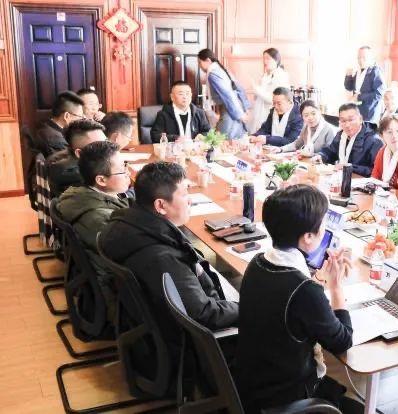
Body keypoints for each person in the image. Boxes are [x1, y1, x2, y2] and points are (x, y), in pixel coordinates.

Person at [99, 162, 239, 376]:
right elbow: (203, 314)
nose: (190, 200)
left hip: (156, 333)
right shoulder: (162, 257)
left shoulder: (124, 225)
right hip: (193, 348)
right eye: (185, 193)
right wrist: (246, 307)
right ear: (161, 206)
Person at [235, 184, 354, 413]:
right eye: (323, 224)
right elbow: (342, 341)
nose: (325, 229)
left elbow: (293, 298)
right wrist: (336, 287)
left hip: (253, 385)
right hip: (285, 398)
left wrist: (319, 280)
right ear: (308, 237)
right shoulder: (305, 291)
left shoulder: (258, 262)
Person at [56, 141, 131, 324]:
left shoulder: (83, 195)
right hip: (120, 299)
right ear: (101, 180)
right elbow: (132, 257)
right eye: (122, 170)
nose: (128, 173)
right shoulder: (100, 218)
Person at [316, 103, 383, 177]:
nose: (347, 125)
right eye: (343, 121)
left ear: (360, 119)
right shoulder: (341, 135)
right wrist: (321, 156)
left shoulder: (374, 141)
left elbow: (375, 170)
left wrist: (350, 167)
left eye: (351, 120)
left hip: (361, 181)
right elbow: (331, 152)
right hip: (341, 177)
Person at [198, 48, 250, 139]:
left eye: (200, 62)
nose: (199, 66)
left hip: (230, 110)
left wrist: (239, 114)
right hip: (235, 107)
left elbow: (227, 95)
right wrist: (245, 108)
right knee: (232, 141)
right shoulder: (220, 70)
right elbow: (239, 88)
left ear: (208, 60)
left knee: (222, 141)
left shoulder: (213, 73)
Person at [46, 119, 107, 197]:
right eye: (99, 146)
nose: (108, 148)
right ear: (79, 153)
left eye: (106, 142)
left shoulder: (72, 158)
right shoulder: (74, 176)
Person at [272, 100, 337, 155]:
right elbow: (297, 144)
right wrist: (281, 149)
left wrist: (309, 155)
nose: (310, 117)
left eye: (313, 113)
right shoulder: (306, 127)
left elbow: (330, 154)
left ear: (319, 112)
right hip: (307, 162)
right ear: (302, 117)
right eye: (306, 115)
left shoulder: (329, 130)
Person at [249, 48, 290, 133]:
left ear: (276, 60)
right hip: (260, 114)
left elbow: (274, 99)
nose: (265, 61)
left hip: (271, 115)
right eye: (264, 58)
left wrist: (256, 89)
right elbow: (259, 96)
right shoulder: (266, 75)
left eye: (268, 58)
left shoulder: (281, 76)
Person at [344, 46, 386, 127]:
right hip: (357, 113)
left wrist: (359, 97)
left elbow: (379, 94)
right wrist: (348, 76)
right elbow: (349, 87)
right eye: (359, 58)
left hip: (369, 115)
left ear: (371, 58)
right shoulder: (358, 71)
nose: (360, 60)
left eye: (364, 58)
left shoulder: (375, 71)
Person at [33, 91, 84, 158]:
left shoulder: (45, 125)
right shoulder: (56, 140)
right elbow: (70, 163)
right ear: (67, 116)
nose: (82, 119)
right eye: (80, 116)